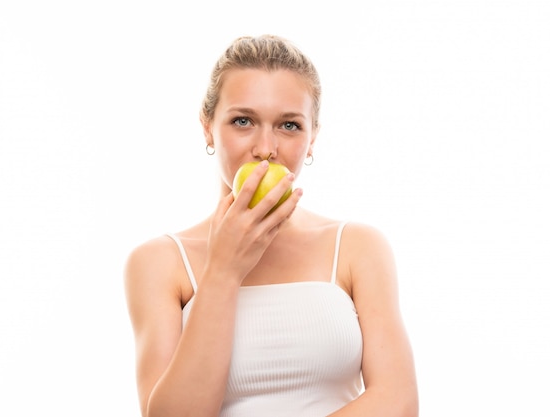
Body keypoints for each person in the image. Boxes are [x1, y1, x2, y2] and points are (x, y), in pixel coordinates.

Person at [124, 34, 418, 417]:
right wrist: (224, 270)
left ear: (312, 139)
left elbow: (398, 401)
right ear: (207, 127)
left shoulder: (358, 246)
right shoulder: (160, 262)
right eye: (242, 121)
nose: (265, 148)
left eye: (289, 126)